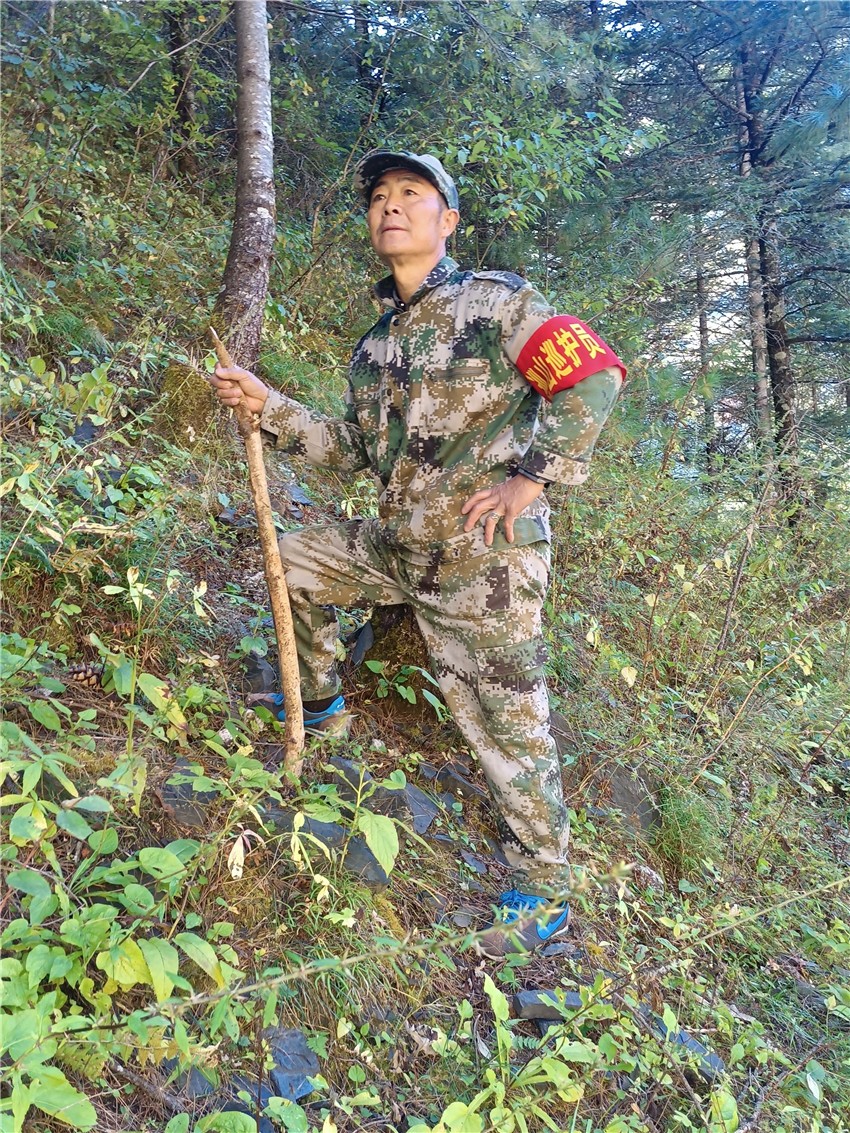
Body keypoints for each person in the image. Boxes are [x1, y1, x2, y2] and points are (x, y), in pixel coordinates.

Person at [209, 150, 625, 958]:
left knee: (509, 726)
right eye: (379, 197)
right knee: (291, 562)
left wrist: (529, 481)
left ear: (448, 220)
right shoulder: (373, 348)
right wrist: (269, 406)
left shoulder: (497, 304)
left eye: (411, 194)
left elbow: (596, 377)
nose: (390, 206)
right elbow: (353, 451)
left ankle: (543, 891)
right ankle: (320, 705)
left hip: (483, 563)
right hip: (398, 547)